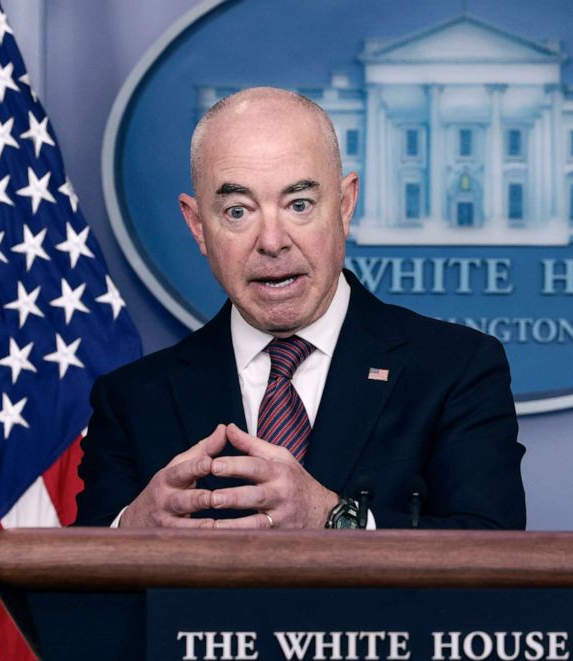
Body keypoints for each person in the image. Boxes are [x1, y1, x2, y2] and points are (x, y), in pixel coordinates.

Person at [74, 87, 525, 529]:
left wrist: (334, 519)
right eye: (237, 211)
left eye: (299, 204)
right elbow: (75, 590)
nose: (272, 242)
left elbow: (496, 559)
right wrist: (130, 528)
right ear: (197, 226)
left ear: (345, 206)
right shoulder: (132, 399)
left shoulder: (457, 369)